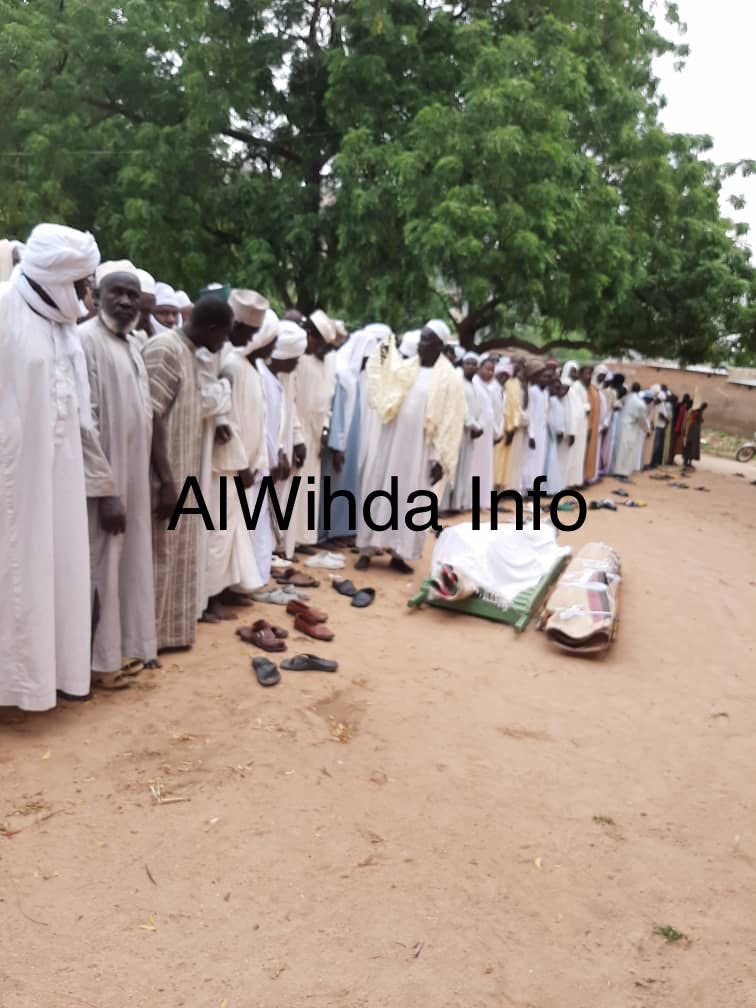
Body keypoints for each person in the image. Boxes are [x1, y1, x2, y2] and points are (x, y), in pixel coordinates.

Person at [0, 222, 100, 709]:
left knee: (54, 570)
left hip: (57, 476)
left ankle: (48, 678)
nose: (85, 295)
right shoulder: (3, 309)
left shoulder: (64, 329)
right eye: (81, 285)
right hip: (12, 481)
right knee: (14, 572)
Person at [79, 261, 157, 690]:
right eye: (116, 292)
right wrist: (106, 490)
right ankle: (94, 666)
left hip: (133, 479)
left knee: (125, 567)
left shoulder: (133, 344)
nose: (125, 301)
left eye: (132, 294)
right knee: (99, 569)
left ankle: (116, 654)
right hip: (103, 485)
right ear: (95, 293)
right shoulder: (85, 341)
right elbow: (84, 422)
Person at [142, 295, 233, 651]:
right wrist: (166, 482)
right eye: (223, 335)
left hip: (184, 475)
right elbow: (150, 417)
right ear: (212, 328)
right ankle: (146, 639)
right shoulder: (164, 349)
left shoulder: (191, 354)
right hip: (164, 479)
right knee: (158, 556)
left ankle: (167, 635)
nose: (223, 343)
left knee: (176, 555)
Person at [356, 320, 466, 573]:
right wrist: (383, 347)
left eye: (427, 340)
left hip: (421, 452)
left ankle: (399, 553)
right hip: (391, 443)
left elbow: (452, 421)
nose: (421, 344)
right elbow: (381, 378)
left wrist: (440, 458)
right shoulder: (406, 368)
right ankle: (366, 549)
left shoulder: (450, 380)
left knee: (411, 500)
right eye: (421, 338)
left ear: (439, 345)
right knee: (379, 490)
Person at [205, 290, 271, 618]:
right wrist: (241, 461)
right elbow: (224, 422)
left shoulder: (240, 360)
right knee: (215, 532)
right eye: (248, 330)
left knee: (232, 531)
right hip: (222, 464)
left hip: (238, 464)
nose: (253, 337)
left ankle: (228, 589)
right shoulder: (227, 361)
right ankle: (208, 599)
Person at [319, 323, 389, 542]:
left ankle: (341, 530)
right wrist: (338, 445)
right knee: (331, 487)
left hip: (352, 438)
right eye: (367, 359)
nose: (369, 364)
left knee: (345, 487)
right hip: (339, 440)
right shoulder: (342, 374)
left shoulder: (359, 376)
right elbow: (337, 412)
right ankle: (325, 533)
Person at [281, 309, 338, 554]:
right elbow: (289, 401)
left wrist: (326, 430)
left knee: (309, 490)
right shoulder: (297, 360)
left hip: (316, 434)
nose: (324, 349)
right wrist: (296, 437)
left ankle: (303, 539)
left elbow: (328, 401)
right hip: (297, 430)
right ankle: (284, 542)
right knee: (291, 488)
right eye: (321, 343)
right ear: (310, 335)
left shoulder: (326, 363)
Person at [269, 319, 309, 560]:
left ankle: (277, 549)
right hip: (267, 448)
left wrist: (297, 438)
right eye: (294, 359)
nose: (297, 365)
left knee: (283, 497)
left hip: (283, 443)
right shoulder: (264, 373)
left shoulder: (288, 372)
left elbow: (290, 408)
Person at [447, 351, 484, 511]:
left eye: (474, 364)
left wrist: (478, 426)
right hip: (457, 430)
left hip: (469, 433)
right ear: (462, 364)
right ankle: (445, 505)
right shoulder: (458, 381)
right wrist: (475, 425)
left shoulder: (474, 384)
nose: (471, 366)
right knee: (452, 468)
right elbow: (460, 407)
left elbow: (479, 408)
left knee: (464, 469)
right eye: (468, 363)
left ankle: (457, 503)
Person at [521, 361, 549, 494]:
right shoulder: (532, 391)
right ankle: (526, 487)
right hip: (532, 432)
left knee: (538, 460)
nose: (545, 379)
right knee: (529, 460)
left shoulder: (544, 392)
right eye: (542, 376)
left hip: (542, 431)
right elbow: (530, 414)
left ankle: (534, 487)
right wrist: (531, 434)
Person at [612, 382, 650, 478]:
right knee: (627, 450)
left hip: (620, 425)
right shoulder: (639, 403)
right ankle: (622, 472)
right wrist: (647, 429)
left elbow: (617, 405)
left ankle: (616, 470)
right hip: (630, 428)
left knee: (619, 449)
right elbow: (642, 419)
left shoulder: (626, 398)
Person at [563, 362, 589, 488]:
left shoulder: (575, 387)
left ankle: (573, 481)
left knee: (576, 456)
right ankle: (566, 482)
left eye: (575, 371)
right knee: (568, 456)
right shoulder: (566, 387)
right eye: (572, 371)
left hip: (579, 425)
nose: (574, 374)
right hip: (569, 427)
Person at [544, 379, 568, 495]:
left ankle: (550, 488)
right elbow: (551, 419)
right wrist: (559, 431)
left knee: (552, 462)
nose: (558, 390)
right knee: (548, 462)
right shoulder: (552, 401)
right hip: (550, 434)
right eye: (555, 387)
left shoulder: (557, 401)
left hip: (553, 436)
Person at [683, 400, 707, 470]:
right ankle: (686, 462)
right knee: (690, 447)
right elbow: (698, 420)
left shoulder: (697, 412)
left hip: (694, 432)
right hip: (693, 432)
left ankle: (688, 462)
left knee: (691, 447)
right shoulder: (696, 412)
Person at [651, 389, 672, 467]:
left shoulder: (661, 404)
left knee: (658, 445)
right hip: (657, 426)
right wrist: (666, 420)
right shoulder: (655, 403)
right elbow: (661, 415)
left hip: (661, 426)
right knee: (655, 445)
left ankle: (654, 462)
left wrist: (666, 421)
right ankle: (652, 462)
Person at [671, 393, 691, 464]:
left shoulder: (683, 407)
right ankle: (670, 459)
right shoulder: (679, 406)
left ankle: (671, 459)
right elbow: (676, 417)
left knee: (675, 445)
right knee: (673, 444)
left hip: (679, 428)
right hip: (676, 427)